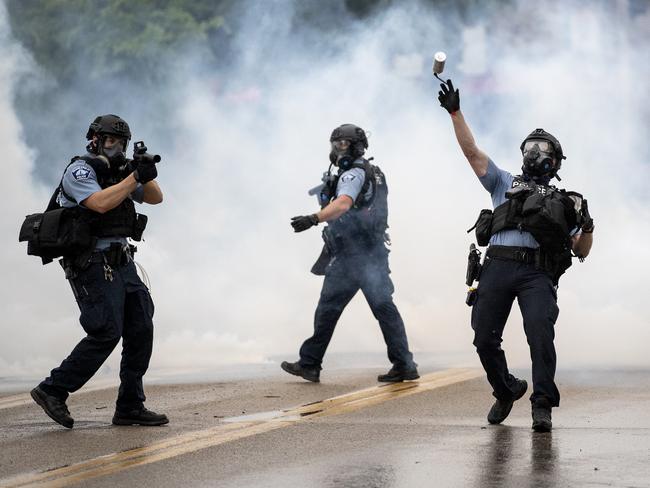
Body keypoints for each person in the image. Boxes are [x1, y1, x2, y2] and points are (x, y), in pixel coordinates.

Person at [437, 80, 594, 432]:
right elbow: (472, 153)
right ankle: (506, 388)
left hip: (536, 274)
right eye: (530, 147)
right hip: (497, 266)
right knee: (483, 338)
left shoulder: (564, 202)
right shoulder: (503, 181)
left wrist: (588, 225)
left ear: (554, 161)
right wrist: (455, 112)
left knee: (540, 334)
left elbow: (579, 250)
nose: (534, 153)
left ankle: (542, 405)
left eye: (542, 149)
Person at [30, 114, 168, 428]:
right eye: (109, 140)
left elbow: (156, 198)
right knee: (106, 330)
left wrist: (143, 170)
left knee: (141, 326)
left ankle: (130, 405)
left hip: (121, 260)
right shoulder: (81, 169)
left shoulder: (120, 172)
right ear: (94, 139)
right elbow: (99, 204)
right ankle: (53, 389)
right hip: (90, 261)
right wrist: (133, 178)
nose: (115, 147)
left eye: (121, 142)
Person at [281, 124, 418, 383]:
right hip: (371, 253)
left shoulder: (352, 175)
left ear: (355, 146)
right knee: (381, 308)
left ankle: (310, 363)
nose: (336, 149)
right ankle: (403, 364)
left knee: (329, 309)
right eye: (335, 144)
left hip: (352, 256)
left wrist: (313, 218)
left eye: (342, 144)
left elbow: (343, 204)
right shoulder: (373, 172)